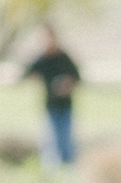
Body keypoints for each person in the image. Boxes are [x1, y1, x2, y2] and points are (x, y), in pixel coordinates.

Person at [19, 24, 82, 166]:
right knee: (50, 143)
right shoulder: (42, 59)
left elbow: (77, 77)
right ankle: (51, 172)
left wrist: (67, 85)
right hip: (50, 106)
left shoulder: (64, 57)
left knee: (66, 141)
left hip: (65, 106)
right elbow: (26, 74)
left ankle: (68, 168)